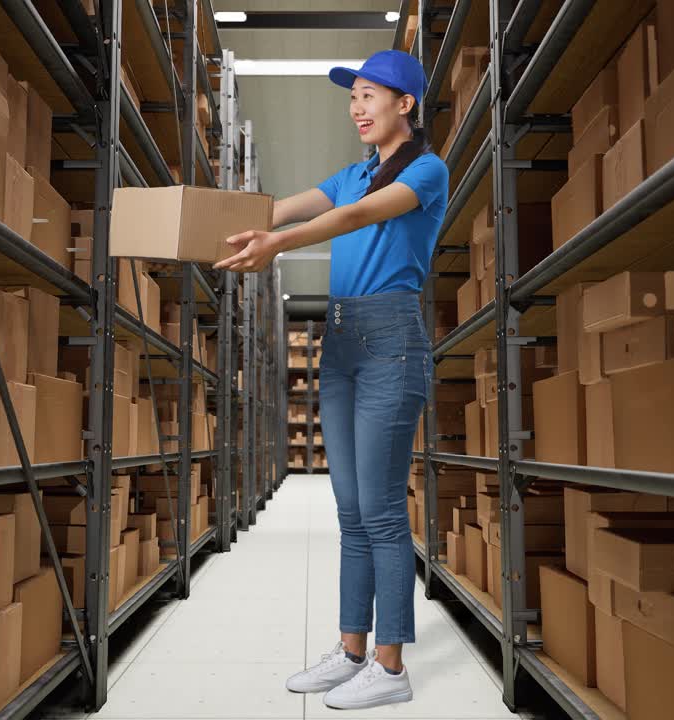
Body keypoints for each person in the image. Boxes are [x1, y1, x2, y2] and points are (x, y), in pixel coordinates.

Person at [214, 49, 448, 710]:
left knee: (380, 510)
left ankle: (391, 666)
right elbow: (281, 206)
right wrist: (222, 225)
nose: (358, 107)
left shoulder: (427, 171)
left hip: (391, 341)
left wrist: (278, 245)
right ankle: (350, 652)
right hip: (340, 342)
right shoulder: (351, 172)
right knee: (348, 511)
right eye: (353, 97)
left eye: (371, 95)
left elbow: (353, 218)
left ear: (405, 105)